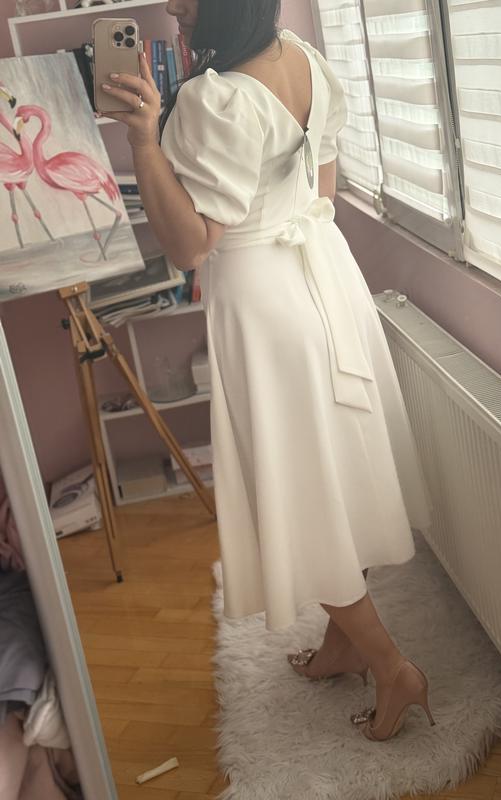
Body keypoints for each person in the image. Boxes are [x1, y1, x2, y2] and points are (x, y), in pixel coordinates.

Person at [97, 0, 437, 742]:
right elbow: (322, 190)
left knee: (299, 495)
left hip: (264, 303)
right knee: (331, 477)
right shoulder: (304, 59)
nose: (173, 7)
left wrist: (143, 138)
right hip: (326, 277)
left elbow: (190, 246)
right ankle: (344, 644)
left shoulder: (212, 98)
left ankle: (393, 669)